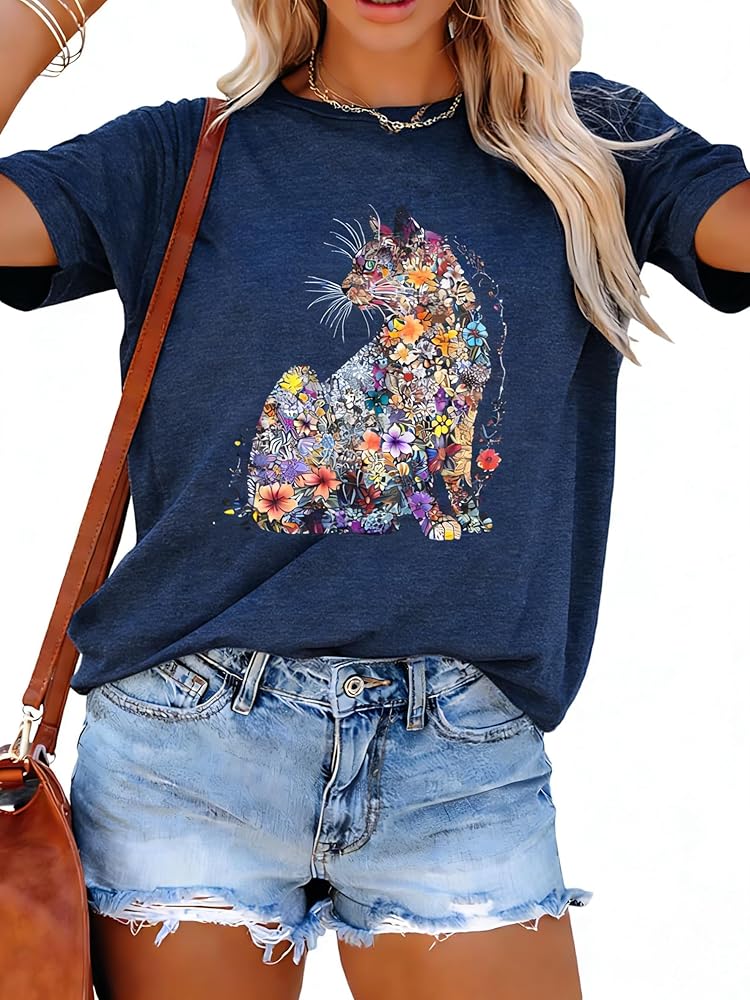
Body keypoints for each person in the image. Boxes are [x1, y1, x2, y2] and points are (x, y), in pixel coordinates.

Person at [1, 1, 749, 997]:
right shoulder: (180, 152)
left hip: (461, 761)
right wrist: (45, 10)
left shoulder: (589, 142)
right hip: (188, 747)